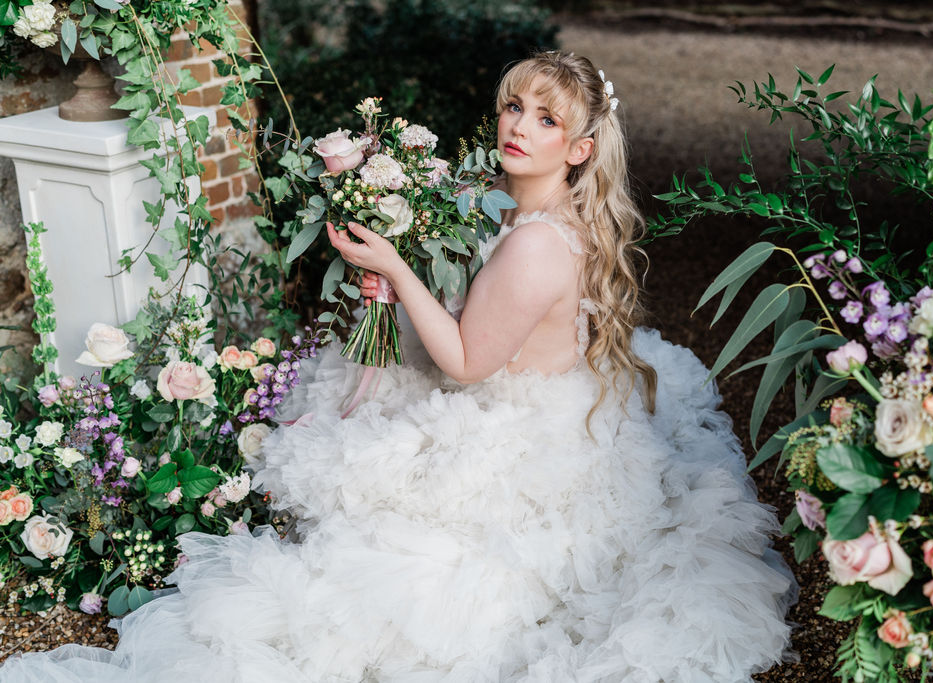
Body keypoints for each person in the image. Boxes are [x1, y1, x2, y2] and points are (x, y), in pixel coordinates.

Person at [0, 51, 794, 682]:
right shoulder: (527, 211)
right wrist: (408, 245)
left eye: (546, 119)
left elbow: (469, 362)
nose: (519, 126)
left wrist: (396, 267)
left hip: (513, 423)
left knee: (378, 541)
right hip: (550, 391)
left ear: (580, 149)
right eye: (513, 106)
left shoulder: (534, 246)